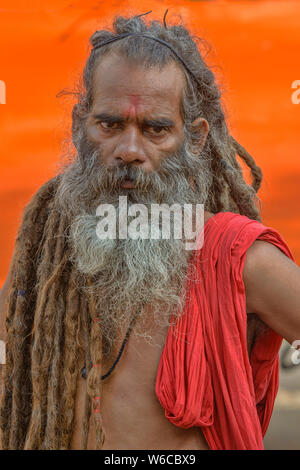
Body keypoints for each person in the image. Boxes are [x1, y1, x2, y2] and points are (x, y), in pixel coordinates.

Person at [1, 11, 300, 451]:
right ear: (79, 125)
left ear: (195, 138)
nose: (129, 151)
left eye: (155, 129)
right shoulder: (46, 261)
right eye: (110, 124)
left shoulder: (237, 259)